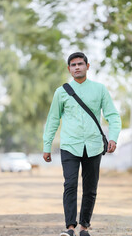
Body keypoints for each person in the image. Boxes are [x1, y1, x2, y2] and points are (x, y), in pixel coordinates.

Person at [43, 52, 121, 236]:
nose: (77, 67)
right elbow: (52, 120)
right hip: (70, 145)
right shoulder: (61, 92)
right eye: (73, 65)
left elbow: (113, 116)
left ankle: (84, 227)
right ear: (69, 68)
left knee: (91, 188)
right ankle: (70, 227)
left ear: (87, 66)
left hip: (94, 146)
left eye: (80, 64)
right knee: (70, 184)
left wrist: (114, 137)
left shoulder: (100, 89)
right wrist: (47, 146)